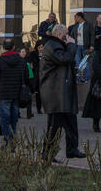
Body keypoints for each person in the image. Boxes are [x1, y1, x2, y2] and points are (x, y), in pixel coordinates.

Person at [39, 23, 86, 159]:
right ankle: (47, 152)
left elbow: (65, 63)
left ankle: (72, 149)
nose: (68, 37)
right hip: (55, 93)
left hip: (63, 92)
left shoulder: (56, 46)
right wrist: (71, 45)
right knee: (54, 126)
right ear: (60, 35)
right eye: (66, 34)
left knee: (71, 122)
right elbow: (64, 58)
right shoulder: (52, 46)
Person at [0, 38, 30, 145]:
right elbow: (26, 76)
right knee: (14, 118)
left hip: (3, 93)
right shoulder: (21, 60)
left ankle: (8, 140)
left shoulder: (0, 61)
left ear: (3, 48)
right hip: (16, 92)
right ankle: (13, 138)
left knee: (5, 118)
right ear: (14, 47)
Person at [69, 12, 93, 84]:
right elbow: (72, 35)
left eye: (76, 17)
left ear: (80, 17)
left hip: (86, 46)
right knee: (77, 63)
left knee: (86, 63)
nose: (75, 19)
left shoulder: (88, 24)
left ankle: (87, 79)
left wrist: (92, 45)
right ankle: (78, 79)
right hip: (77, 47)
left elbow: (92, 35)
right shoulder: (75, 26)